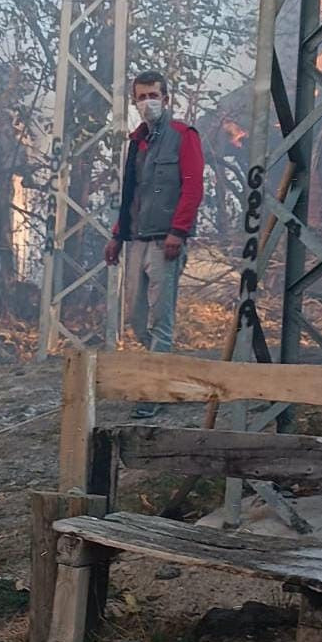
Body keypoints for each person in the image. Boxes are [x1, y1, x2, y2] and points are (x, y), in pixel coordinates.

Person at [104, 70, 205, 419]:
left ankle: (154, 390)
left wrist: (178, 231)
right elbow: (132, 194)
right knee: (135, 315)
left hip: (167, 241)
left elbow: (192, 188)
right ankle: (172, 375)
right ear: (134, 101)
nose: (148, 102)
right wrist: (117, 235)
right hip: (137, 239)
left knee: (160, 319)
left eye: (154, 95)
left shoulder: (183, 136)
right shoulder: (137, 142)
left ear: (166, 98)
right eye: (142, 96)